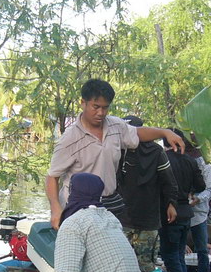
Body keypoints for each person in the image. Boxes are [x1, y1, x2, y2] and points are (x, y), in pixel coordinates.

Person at [45, 79, 184, 230]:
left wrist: (164, 132)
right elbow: (52, 176)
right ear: (83, 103)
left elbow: (137, 133)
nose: (100, 113)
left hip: (108, 204)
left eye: (105, 108)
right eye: (95, 107)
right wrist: (56, 208)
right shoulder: (69, 139)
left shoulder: (116, 126)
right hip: (77, 207)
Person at [117, 115, 179, 272]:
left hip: (147, 219)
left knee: (143, 266)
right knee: (120, 264)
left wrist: (171, 204)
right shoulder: (117, 151)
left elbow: (169, 181)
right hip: (121, 218)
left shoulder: (156, 152)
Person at [159, 133, 206, 272]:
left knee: (170, 255)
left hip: (170, 212)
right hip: (186, 212)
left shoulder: (163, 158)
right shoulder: (190, 160)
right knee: (178, 253)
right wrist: (189, 191)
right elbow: (201, 185)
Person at [183, 135, 211, 272]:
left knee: (202, 249)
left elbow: (209, 189)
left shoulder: (204, 166)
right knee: (179, 248)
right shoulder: (179, 161)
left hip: (199, 213)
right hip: (182, 212)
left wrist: (198, 199)